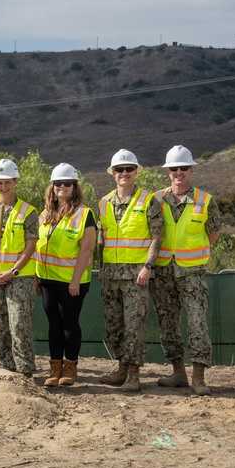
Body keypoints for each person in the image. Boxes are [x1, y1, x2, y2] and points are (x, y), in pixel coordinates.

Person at [150, 146, 222, 396]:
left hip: (192, 272)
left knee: (197, 323)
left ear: (191, 169)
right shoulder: (156, 199)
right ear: (167, 171)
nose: (178, 172)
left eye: (183, 168)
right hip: (162, 272)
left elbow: (212, 235)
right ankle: (178, 372)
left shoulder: (206, 200)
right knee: (167, 323)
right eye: (173, 168)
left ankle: (198, 378)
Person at [96, 149, 163, 391]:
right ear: (113, 174)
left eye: (129, 169)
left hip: (137, 275)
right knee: (114, 325)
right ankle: (122, 368)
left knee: (134, 325)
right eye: (119, 169)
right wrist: (101, 267)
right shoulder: (104, 202)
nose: (124, 173)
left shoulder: (148, 200)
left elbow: (157, 236)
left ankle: (134, 374)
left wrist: (148, 266)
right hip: (111, 274)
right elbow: (101, 239)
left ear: (136, 172)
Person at [34, 163, 96, 387]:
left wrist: (76, 280)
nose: (62, 187)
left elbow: (87, 249)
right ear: (52, 187)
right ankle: (55, 367)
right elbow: (37, 247)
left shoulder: (84, 214)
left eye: (67, 183)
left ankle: (70, 367)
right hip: (47, 278)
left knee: (69, 322)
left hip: (72, 281)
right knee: (53, 323)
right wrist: (36, 276)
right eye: (58, 183)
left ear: (74, 186)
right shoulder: (44, 214)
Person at [0, 159, 38, 377]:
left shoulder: (28, 211)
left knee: (19, 325)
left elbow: (30, 246)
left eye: (7, 182)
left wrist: (13, 271)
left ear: (15, 181)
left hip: (18, 279)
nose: (3, 187)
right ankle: (8, 369)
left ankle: (25, 372)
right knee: (1, 327)